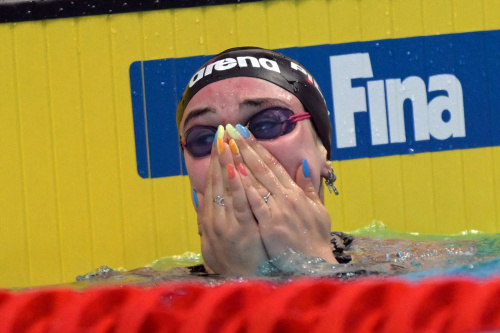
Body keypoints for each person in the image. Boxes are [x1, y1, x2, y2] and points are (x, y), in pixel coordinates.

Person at [176, 47, 342, 276]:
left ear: (322, 149)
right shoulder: (149, 297)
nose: (234, 152)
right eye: (204, 138)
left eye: (268, 124)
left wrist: (315, 264)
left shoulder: (398, 264)